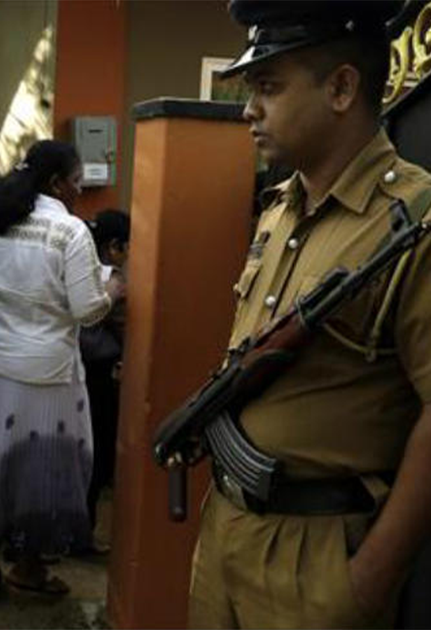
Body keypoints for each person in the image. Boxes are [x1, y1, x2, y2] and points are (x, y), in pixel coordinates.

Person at [188, 1, 431, 628]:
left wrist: (370, 579)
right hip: (227, 536)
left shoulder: (414, 222)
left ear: (343, 88)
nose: (249, 109)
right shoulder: (278, 209)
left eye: (268, 87)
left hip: (316, 560)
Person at [0, 140, 122, 602]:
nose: (80, 193)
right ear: (57, 183)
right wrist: (115, 289)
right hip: (46, 375)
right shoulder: (69, 231)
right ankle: (29, 568)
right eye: (78, 183)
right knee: (42, 474)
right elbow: (87, 312)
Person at [79, 209, 130, 552]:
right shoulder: (114, 280)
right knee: (96, 458)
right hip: (99, 376)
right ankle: (83, 533)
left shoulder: (79, 272)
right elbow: (125, 328)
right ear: (114, 247)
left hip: (72, 369)